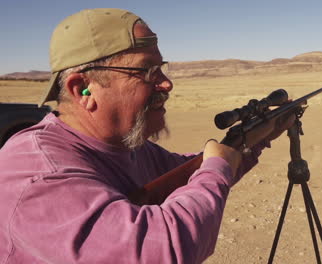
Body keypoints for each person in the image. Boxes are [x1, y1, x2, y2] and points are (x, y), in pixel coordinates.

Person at [0, 8, 292, 264]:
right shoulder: (34, 172)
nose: (167, 84)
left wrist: (252, 141)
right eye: (146, 71)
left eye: (162, 69)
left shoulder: (125, 146)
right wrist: (218, 168)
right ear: (82, 89)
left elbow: (187, 174)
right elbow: (157, 251)